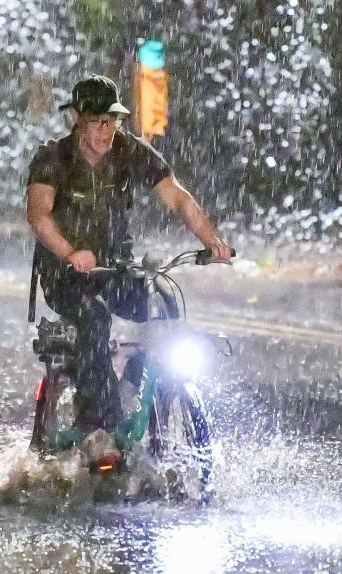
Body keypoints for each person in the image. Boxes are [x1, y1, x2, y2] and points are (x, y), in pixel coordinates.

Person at [25, 74, 231, 436]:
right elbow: (38, 217)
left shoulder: (128, 150)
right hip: (66, 274)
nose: (106, 131)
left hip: (115, 267)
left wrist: (213, 241)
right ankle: (96, 420)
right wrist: (72, 252)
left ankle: (136, 387)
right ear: (76, 118)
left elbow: (177, 197)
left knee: (161, 306)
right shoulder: (53, 158)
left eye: (113, 121)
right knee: (93, 318)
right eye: (97, 121)